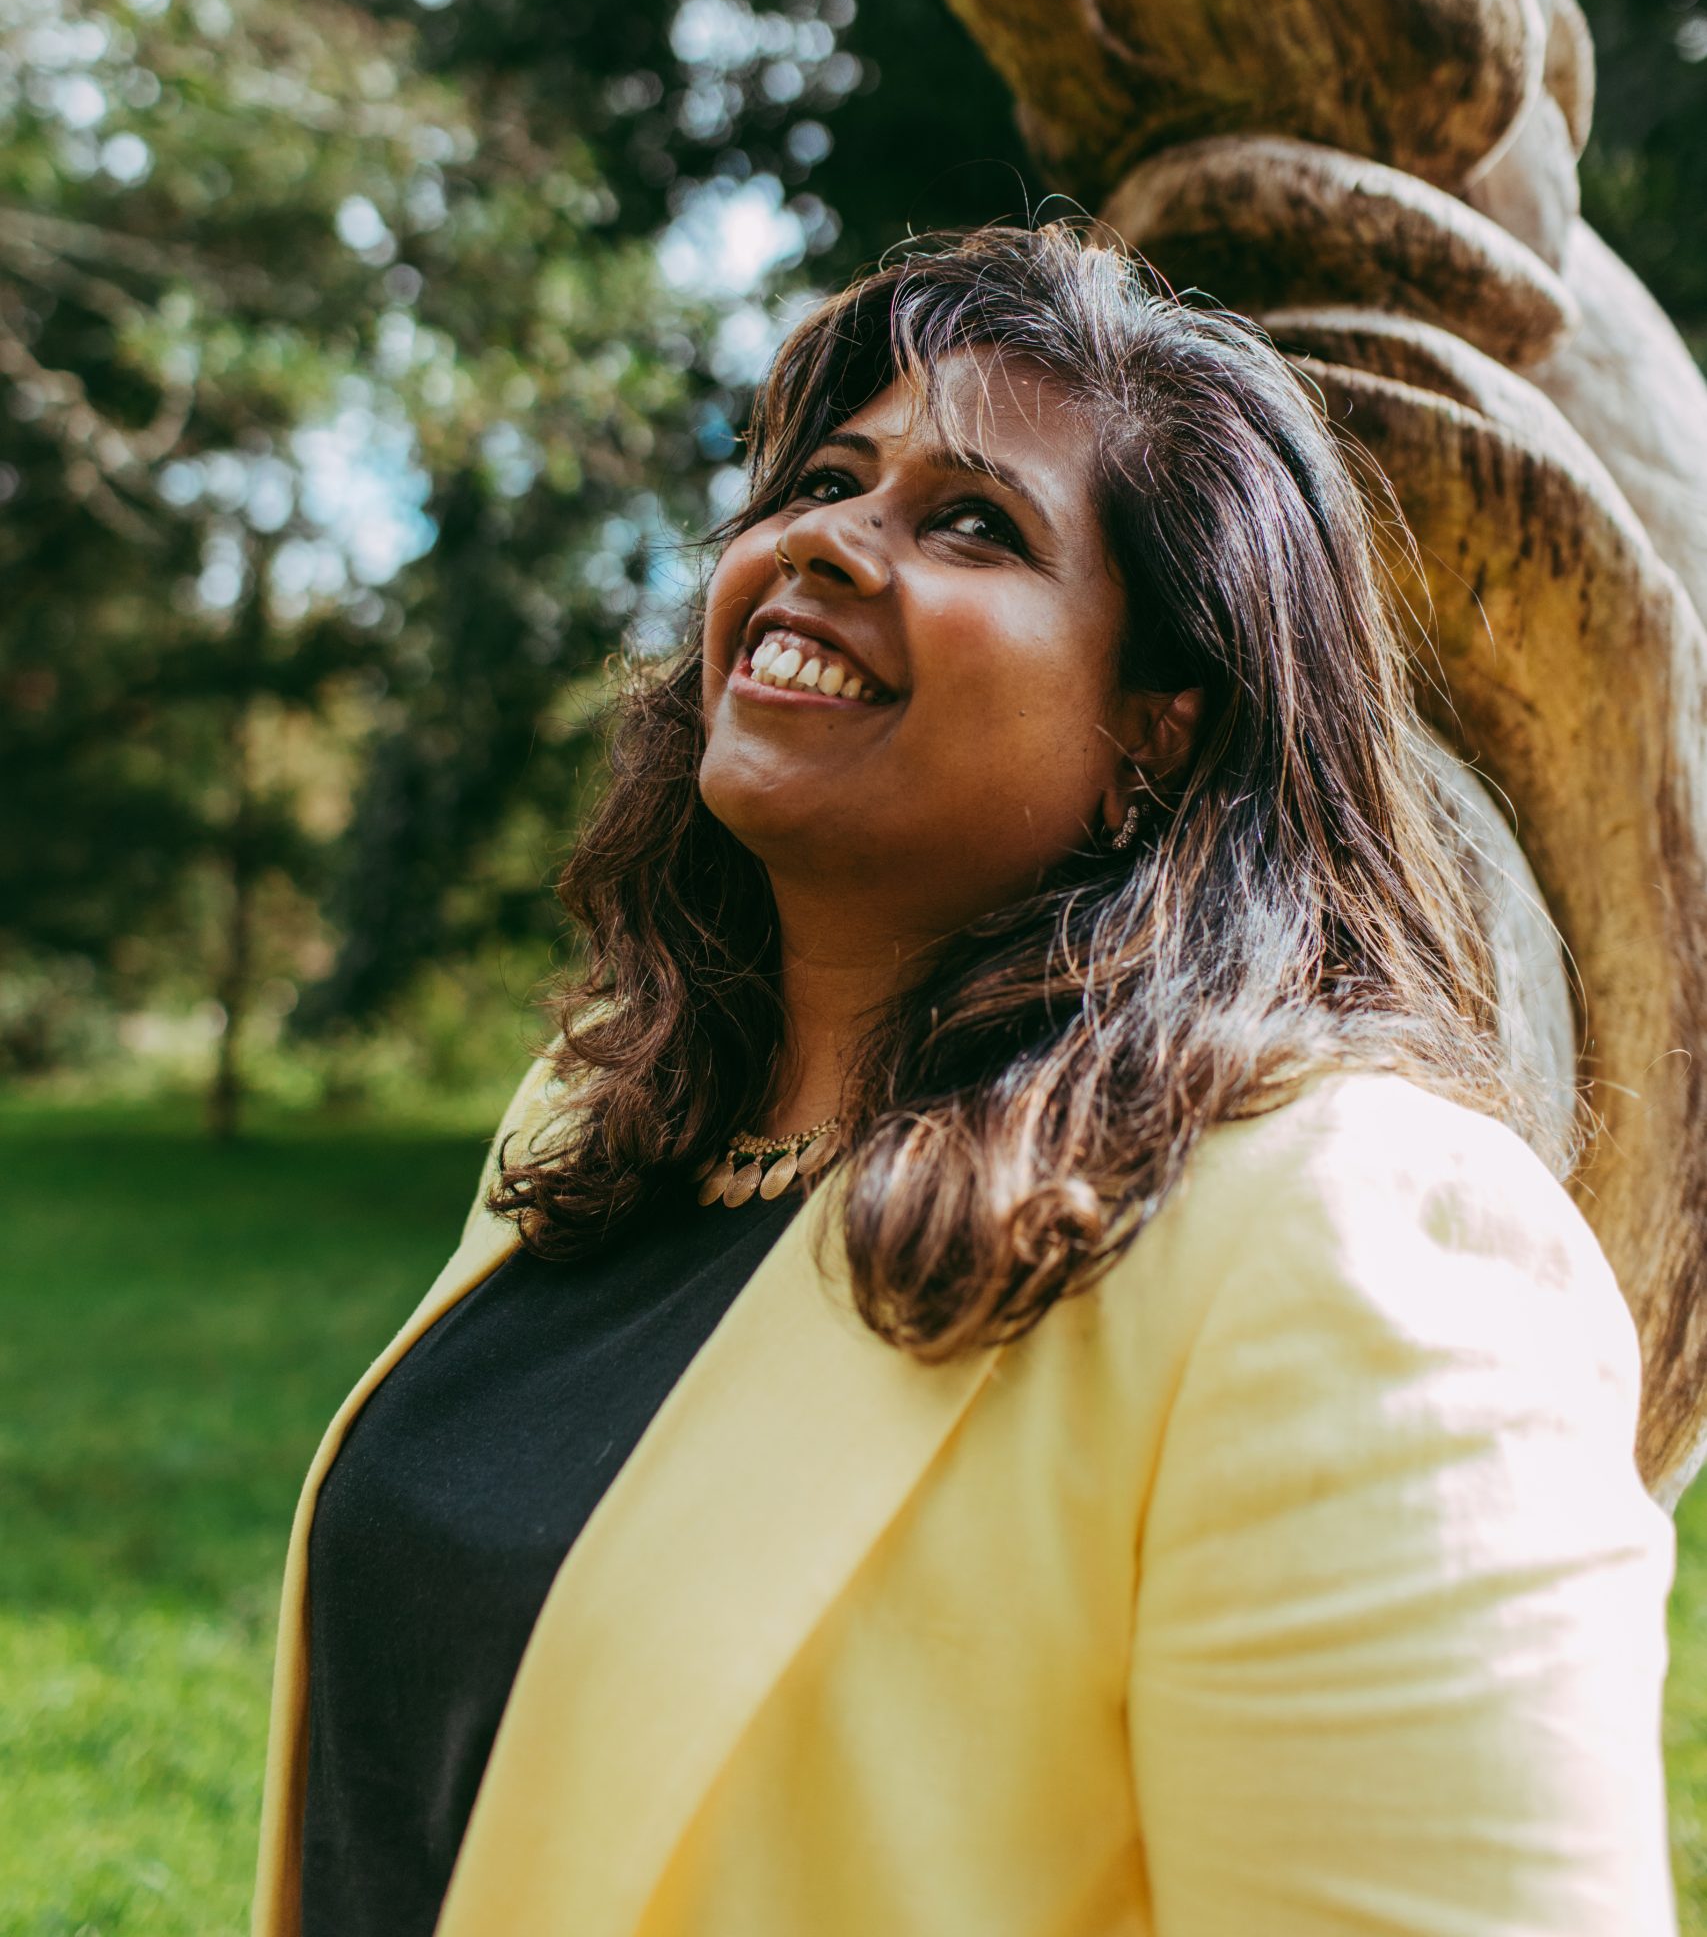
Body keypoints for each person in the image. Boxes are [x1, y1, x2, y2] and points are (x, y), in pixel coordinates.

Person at [252, 227, 1675, 1937]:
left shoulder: (1355, 1247)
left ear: (1161, 719)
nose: (825, 543)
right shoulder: (595, 1122)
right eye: (824, 478)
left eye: (972, 522)